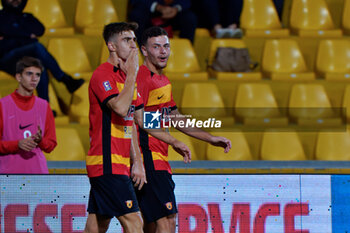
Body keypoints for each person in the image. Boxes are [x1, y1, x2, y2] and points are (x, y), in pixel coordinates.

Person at [84, 22, 191, 233]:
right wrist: (133, 73)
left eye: (134, 39)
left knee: (96, 227)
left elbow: (141, 121)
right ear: (112, 46)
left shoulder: (125, 78)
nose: (133, 45)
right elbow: (121, 109)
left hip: (120, 164)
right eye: (126, 40)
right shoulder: (103, 74)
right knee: (134, 224)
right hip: (106, 163)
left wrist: (174, 141)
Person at [135, 26, 232, 233]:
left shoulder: (162, 80)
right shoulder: (142, 79)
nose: (163, 51)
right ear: (144, 50)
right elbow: (139, 120)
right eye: (156, 47)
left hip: (158, 157)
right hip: (148, 158)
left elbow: (173, 116)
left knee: (151, 225)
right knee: (167, 221)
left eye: (166, 46)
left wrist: (210, 138)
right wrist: (174, 140)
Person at [0, 0, 84, 102]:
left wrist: (12, 36)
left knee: (40, 68)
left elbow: (40, 30)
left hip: (24, 59)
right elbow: (7, 40)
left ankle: (44, 108)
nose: (16, 0)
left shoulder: (27, 17)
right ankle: (64, 79)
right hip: (6, 59)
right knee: (36, 47)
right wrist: (27, 36)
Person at [0, 56, 57, 174]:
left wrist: (40, 141)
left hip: (38, 174)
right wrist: (17, 144)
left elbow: (51, 145)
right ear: (18, 77)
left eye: (38, 75)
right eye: (29, 74)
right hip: (8, 176)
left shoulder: (44, 106)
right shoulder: (2, 105)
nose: (34, 78)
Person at [128, 0, 197, 44]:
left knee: (190, 18)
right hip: (148, 8)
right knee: (137, 15)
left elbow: (187, 2)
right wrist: (158, 7)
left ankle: (184, 54)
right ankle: (140, 54)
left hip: (173, 10)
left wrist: (176, 8)